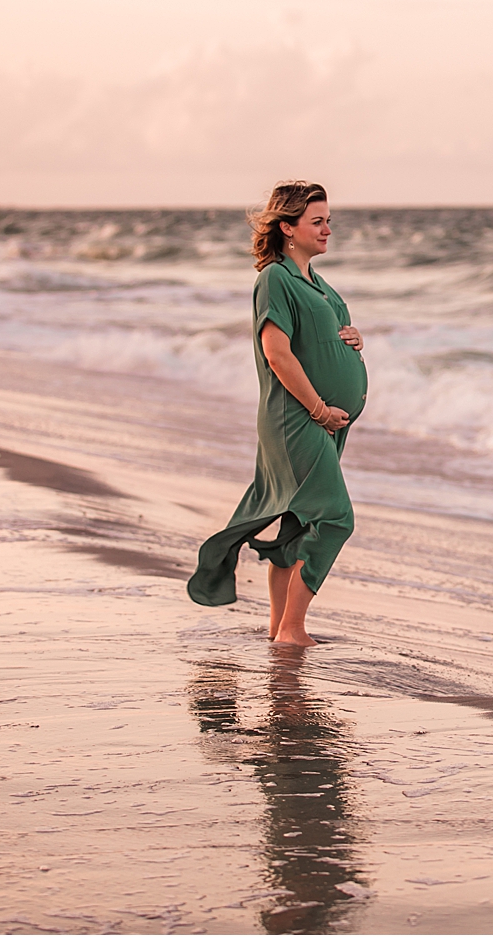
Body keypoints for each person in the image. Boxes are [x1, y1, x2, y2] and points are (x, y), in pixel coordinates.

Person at [186, 181, 366, 645]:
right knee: (335, 519)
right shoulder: (275, 278)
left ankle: (278, 630)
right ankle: (293, 629)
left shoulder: (318, 283)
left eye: (328, 219)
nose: (329, 228)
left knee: (297, 524)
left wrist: (351, 341)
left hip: (322, 423)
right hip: (297, 420)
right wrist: (320, 409)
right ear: (287, 227)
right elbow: (277, 352)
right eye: (317, 221)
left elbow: (323, 338)